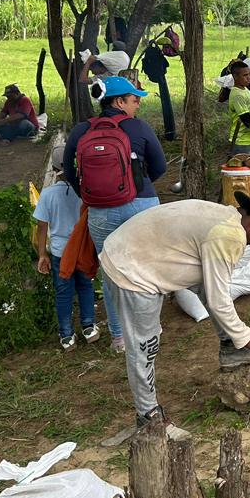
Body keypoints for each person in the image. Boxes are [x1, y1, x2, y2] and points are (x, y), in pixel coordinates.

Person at [98, 193, 250, 426]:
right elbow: (219, 300)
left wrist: (235, 336)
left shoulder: (226, 217)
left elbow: (214, 290)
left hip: (133, 250)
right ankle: (148, 417)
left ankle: (230, 349)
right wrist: (244, 334)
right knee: (144, 345)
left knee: (208, 289)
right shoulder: (229, 234)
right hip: (132, 268)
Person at [63, 76, 168, 352]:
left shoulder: (80, 131)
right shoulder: (139, 127)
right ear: (119, 101)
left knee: (110, 274)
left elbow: (69, 170)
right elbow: (160, 166)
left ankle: (120, 337)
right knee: (147, 267)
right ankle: (150, 329)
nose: (138, 105)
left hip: (100, 212)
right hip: (141, 206)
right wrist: (140, 184)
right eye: (134, 100)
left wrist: (89, 195)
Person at [33, 163, 98, 350]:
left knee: (63, 293)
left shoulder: (48, 194)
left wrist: (42, 254)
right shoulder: (84, 190)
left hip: (60, 251)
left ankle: (67, 335)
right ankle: (88, 327)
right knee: (86, 286)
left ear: (54, 169)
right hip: (82, 248)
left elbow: (42, 226)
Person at [225, 60, 250, 156]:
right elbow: (246, 119)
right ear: (235, 77)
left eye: (249, 74)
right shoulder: (237, 95)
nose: (248, 78)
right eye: (245, 75)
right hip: (242, 141)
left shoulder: (244, 89)